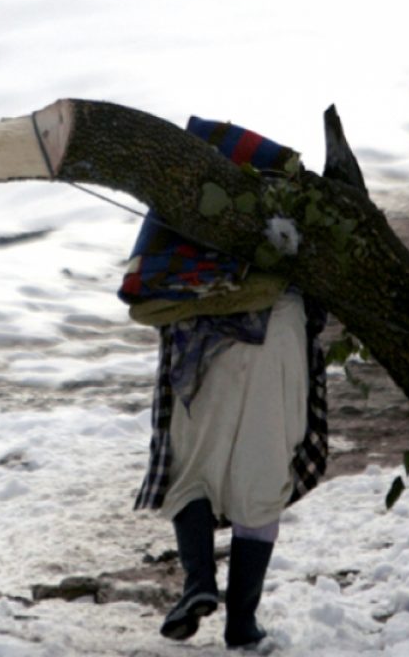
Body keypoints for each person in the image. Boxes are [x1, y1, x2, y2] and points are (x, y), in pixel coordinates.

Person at [119, 117, 328, 649]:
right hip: (274, 338)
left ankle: (197, 584)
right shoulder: (289, 203)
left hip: (200, 344)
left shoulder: (175, 210)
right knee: (260, 482)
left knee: (189, 473)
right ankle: (242, 621)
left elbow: (145, 285)